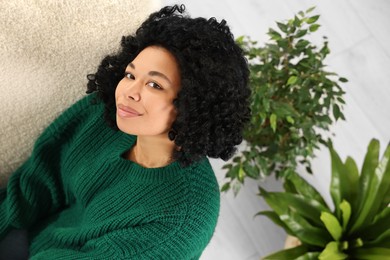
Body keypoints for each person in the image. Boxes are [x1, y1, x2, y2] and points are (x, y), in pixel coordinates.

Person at [0, 4, 250, 259]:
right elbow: (35, 184)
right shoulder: (107, 113)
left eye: (154, 84)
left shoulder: (181, 220)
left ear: (194, 102)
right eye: (130, 75)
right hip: (29, 238)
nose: (129, 91)